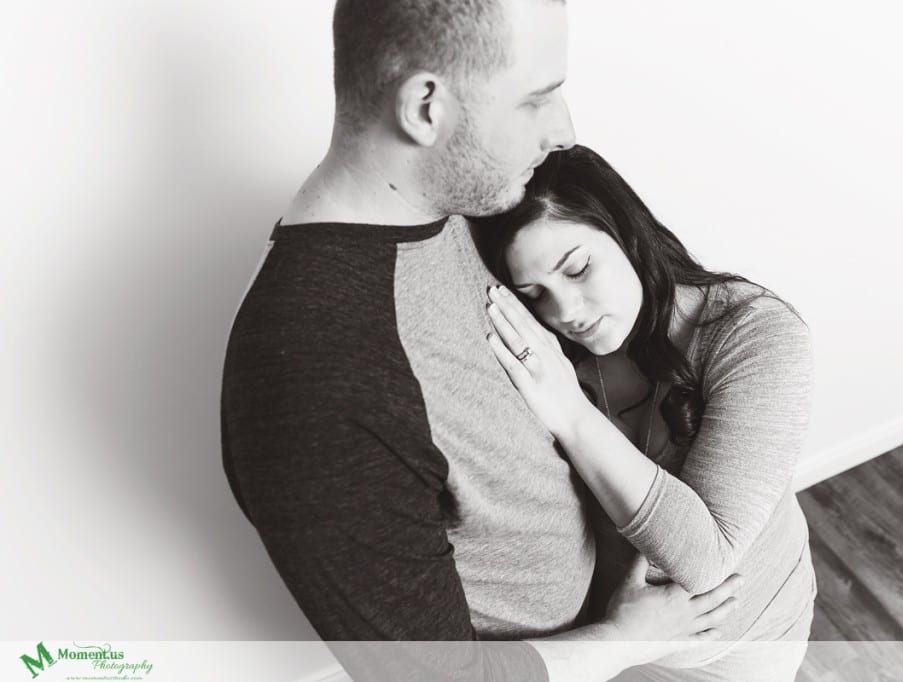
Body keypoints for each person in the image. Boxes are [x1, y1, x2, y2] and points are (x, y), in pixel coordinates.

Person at [220, 2, 741, 680]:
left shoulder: (457, 210)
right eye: (536, 99)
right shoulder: (318, 378)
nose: (565, 131)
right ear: (427, 108)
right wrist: (623, 643)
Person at [476, 144, 817, 681]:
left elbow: (706, 559)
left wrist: (570, 413)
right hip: (610, 644)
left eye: (579, 268)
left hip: (741, 651)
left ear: (628, 234)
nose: (566, 313)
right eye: (535, 293)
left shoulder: (756, 334)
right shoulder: (548, 351)